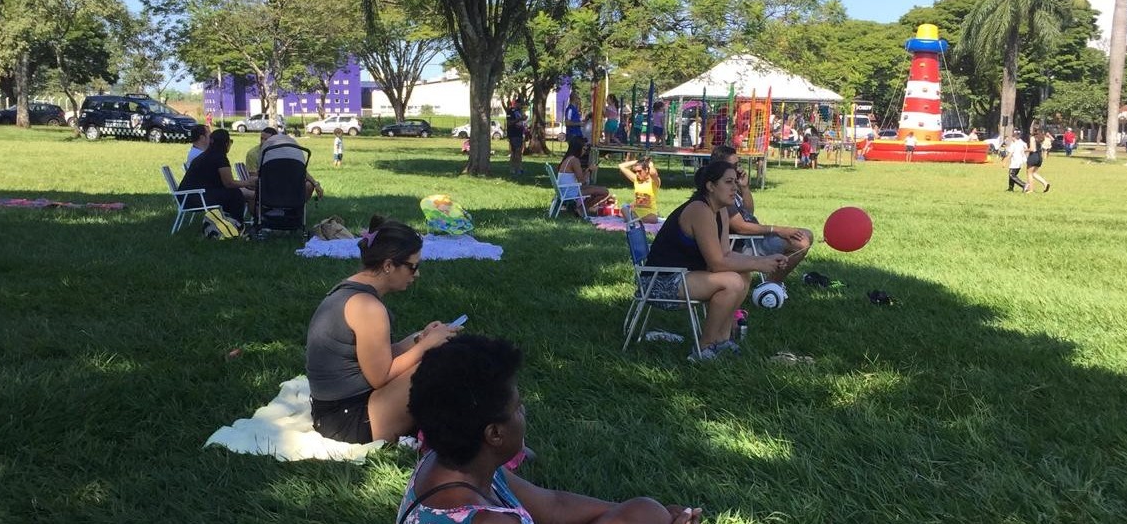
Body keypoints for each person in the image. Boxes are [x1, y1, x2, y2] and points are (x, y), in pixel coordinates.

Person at [398, 334, 703, 524]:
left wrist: (655, 516)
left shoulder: (454, 464)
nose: (524, 412)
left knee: (644, 512)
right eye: (517, 407)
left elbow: (553, 506)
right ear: (494, 434)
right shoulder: (488, 520)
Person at [306, 215, 461, 444]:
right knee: (442, 364)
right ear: (388, 265)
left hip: (333, 412)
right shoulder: (368, 307)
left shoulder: (351, 289)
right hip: (349, 421)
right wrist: (427, 346)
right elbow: (381, 376)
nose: (416, 274)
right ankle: (478, 440)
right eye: (412, 266)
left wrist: (419, 338)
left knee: (440, 360)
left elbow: (375, 357)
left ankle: (473, 434)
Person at [645, 162, 787, 360]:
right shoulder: (699, 210)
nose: (734, 188)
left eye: (735, 183)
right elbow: (717, 264)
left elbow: (725, 253)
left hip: (684, 275)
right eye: (728, 182)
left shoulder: (720, 210)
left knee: (743, 275)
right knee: (732, 282)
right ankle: (704, 347)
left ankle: (722, 339)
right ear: (710, 186)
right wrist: (760, 263)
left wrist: (761, 260)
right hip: (661, 281)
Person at [710, 145, 813, 288]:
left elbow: (748, 212)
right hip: (742, 244)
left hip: (753, 238)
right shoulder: (721, 193)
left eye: (738, 164)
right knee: (801, 242)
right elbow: (741, 228)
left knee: (807, 234)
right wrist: (777, 229)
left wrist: (744, 188)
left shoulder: (732, 186)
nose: (738, 169)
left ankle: (773, 281)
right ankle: (771, 285)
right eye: (733, 166)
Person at [178, 129, 256, 223]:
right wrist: (248, 182)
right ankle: (236, 224)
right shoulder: (220, 158)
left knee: (233, 193)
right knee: (235, 194)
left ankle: (229, 221)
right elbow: (229, 183)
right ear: (226, 143)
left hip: (186, 197)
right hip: (195, 198)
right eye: (230, 141)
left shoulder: (206, 155)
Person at [245, 128, 325, 202]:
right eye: (261, 138)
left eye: (266, 139)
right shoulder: (253, 154)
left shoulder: (284, 151)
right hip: (266, 186)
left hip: (287, 184)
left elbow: (300, 170)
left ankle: (297, 209)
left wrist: (315, 183)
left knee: (308, 185)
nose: (263, 142)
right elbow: (254, 177)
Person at [557, 141, 610, 215]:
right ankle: (581, 209)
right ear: (578, 149)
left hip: (567, 189)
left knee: (598, 189)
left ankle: (581, 209)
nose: (584, 152)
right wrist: (590, 170)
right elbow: (582, 181)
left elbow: (580, 178)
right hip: (570, 192)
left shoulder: (568, 159)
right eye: (584, 149)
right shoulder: (574, 160)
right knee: (605, 192)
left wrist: (588, 169)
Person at [619, 157, 660, 224]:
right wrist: (638, 161)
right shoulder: (636, 179)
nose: (637, 174)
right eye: (635, 172)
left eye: (639, 171)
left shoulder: (653, 182)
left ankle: (632, 220)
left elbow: (653, 173)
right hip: (636, 212)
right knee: (624, 208)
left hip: (649, 213)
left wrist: (650, 164)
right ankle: (634, 220)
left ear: (646, 170)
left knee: (653, 219)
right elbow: (621, 166)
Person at [1024, 129, 1051, 193]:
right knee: (1034, 173)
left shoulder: (1033, 138)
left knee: (1029, 173)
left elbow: (1032, 149)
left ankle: (1031, 189)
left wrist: (1024, 150)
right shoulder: (1042, 138)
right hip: (1039, 157)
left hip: (1033, 156)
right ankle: (1045, 183)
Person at [506, 100, 527, 175]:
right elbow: (509, 123)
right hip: (513, 134)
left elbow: (523, 123)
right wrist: (520, 119)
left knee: (519, 152)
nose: (520, 106)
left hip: (520, 134)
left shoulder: (520, 112)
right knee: (515, 152)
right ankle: (513, 169)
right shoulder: (510, 111)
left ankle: (519, 168)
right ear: (516, 104)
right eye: (519, 104)